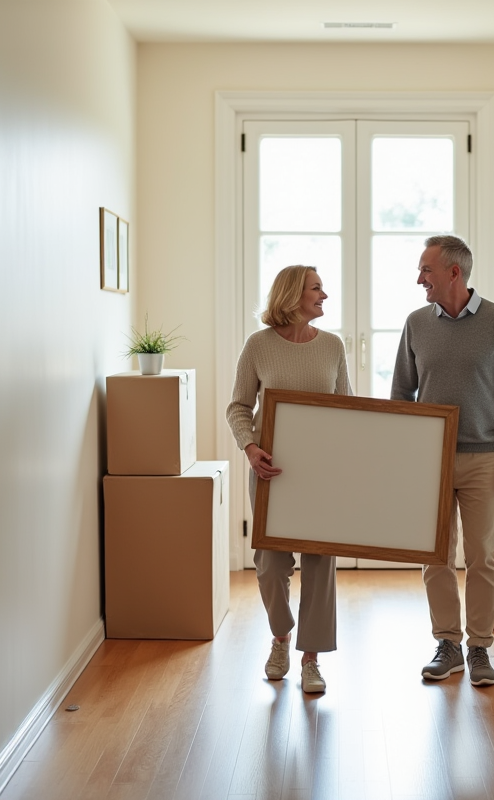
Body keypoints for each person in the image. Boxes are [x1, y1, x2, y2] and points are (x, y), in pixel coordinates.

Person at [391, 235, 494, 687]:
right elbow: (401, 394)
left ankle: (480, 647)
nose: (419, 279)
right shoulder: (416, 324)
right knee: (435, 557)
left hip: (483, 458)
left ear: (454, 272)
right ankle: (447, 644)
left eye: (426, 270)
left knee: (483, 557)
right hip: (429, 460)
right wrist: (401, 453)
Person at [226, 264, 352, 694]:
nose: (325, 295)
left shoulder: (333, 346)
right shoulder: (258, 346)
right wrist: (249, 447)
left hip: (323, 477)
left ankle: (311, 659)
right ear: (293, 295)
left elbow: (347, 407)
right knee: (270, 565)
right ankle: (281, 638)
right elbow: (238, 406)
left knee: (319, 564)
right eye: (317, 288)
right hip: (271, 473)